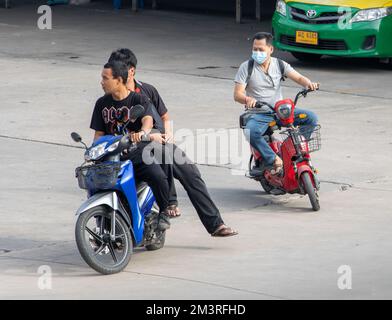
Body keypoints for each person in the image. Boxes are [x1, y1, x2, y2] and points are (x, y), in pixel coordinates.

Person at [108, 48, 238, 237]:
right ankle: (169, 205)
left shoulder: (147, 90)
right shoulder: (111, 99)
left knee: (191, 174)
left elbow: (165, 116)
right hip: (138, 148)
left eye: (119, 68)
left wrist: (168, 133)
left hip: (162, 143)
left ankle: (215, 224)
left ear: (131, 71)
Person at [90, 60, 171, 230]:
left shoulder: (138, 99)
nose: (102, 82)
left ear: (119, 80)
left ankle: (165, 210)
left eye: (105, 78)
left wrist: (142, 132)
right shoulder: (101, 104)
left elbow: (148, 119)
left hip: (134, 154)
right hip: (110, 157)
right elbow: (98, 135)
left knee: (157, 175)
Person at [234, 32, 319, 176]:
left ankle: (293, 151)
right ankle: (273, 159)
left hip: (281, 111)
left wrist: (308, 83)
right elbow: (237, 94)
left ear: (270, 49)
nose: (257, 53)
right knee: (251, 131)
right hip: (259, 114)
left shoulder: (279, 64)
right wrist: (248, 100)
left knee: (311, 118)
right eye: (255, 49)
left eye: (261, 49)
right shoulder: (246, 67)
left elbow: (297, 77)